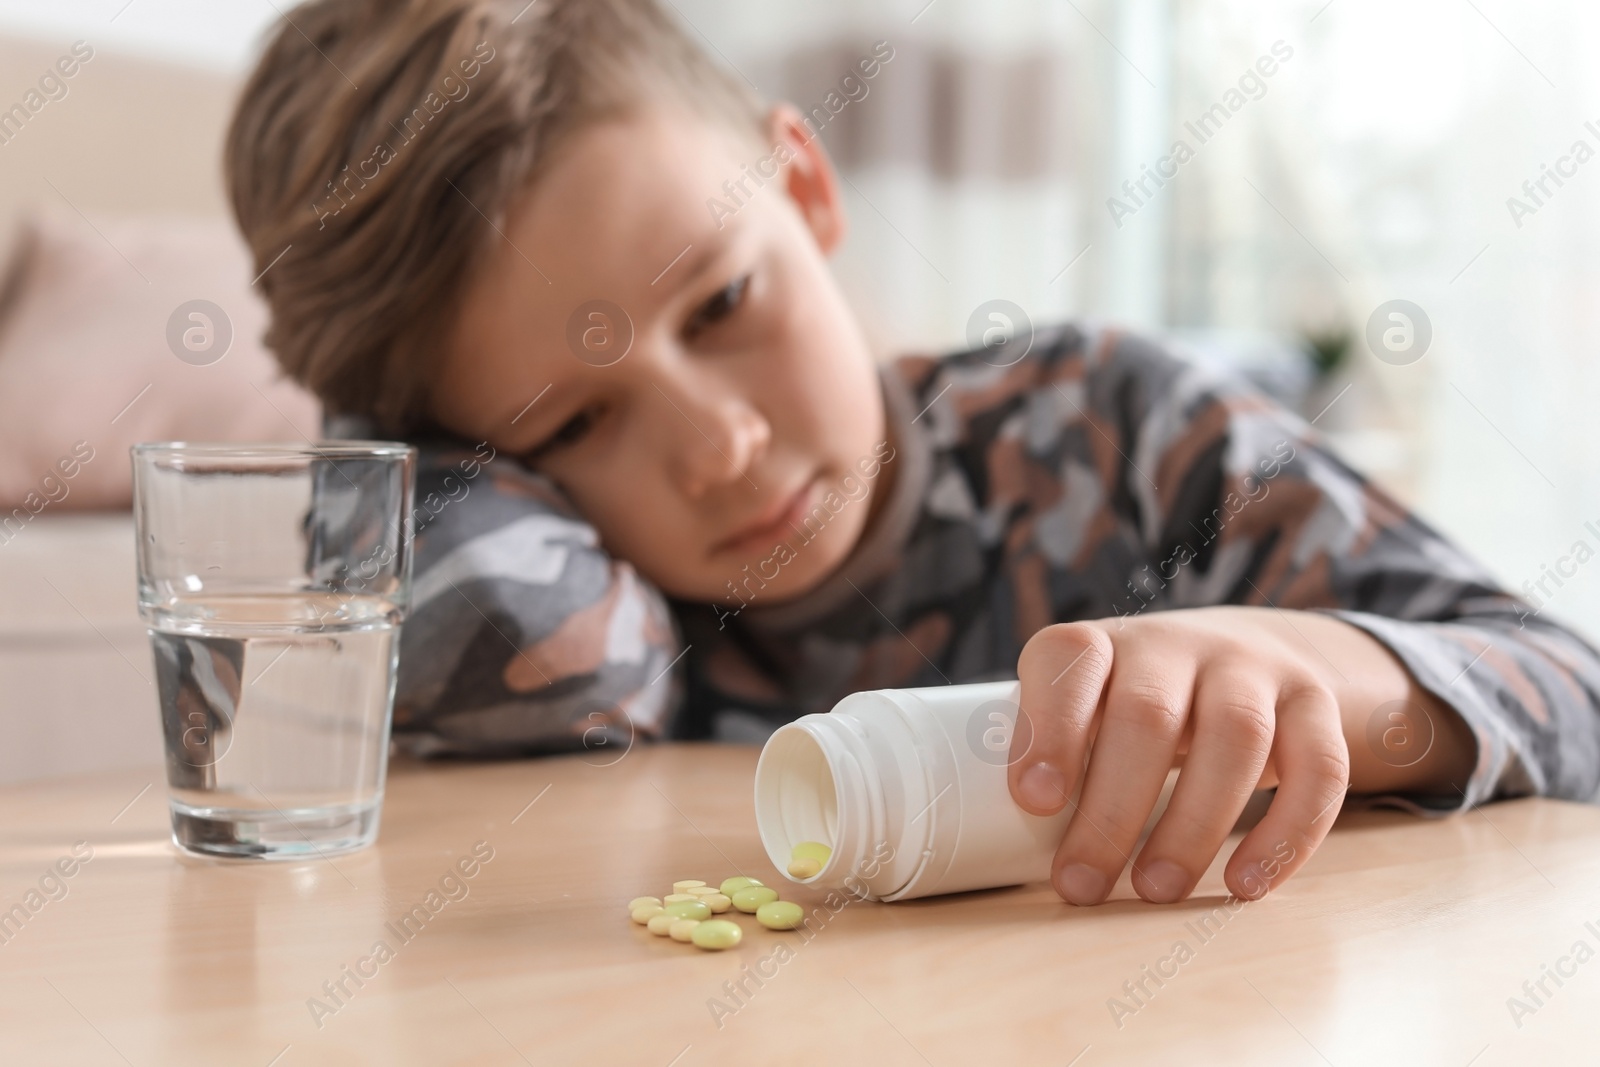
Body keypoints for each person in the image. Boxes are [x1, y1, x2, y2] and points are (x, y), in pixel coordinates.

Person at [224, 0, 1600, 906]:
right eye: (574, 422)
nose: (722, 445)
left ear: (807, 187)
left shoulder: (1120, 428)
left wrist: (1311, 677)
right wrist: (383, 425)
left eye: (722, 303)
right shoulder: (554, 613)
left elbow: (1570, 692)